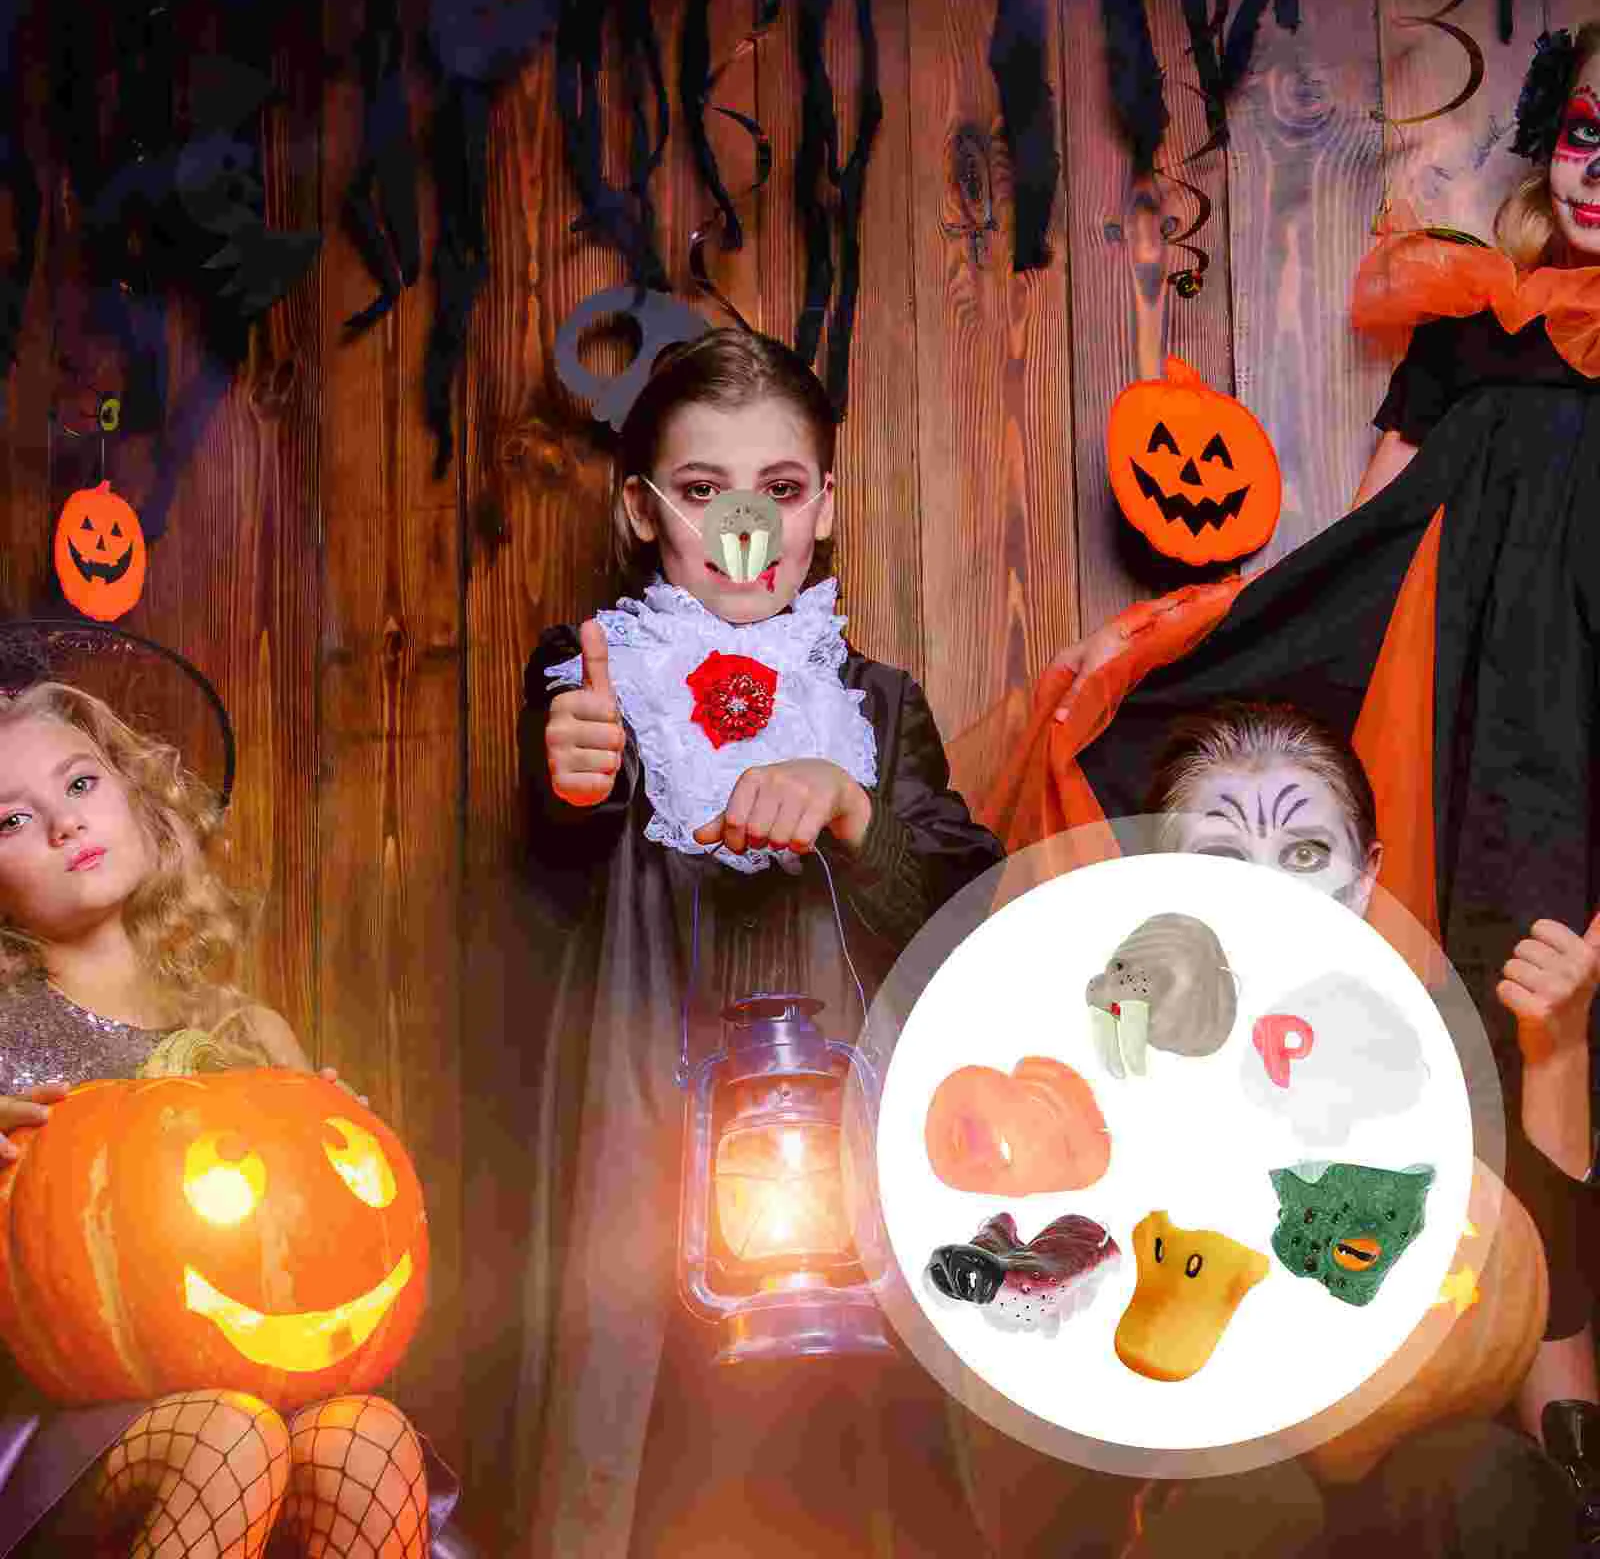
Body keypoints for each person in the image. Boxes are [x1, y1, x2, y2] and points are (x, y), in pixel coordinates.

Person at [970, 21, 1600, 1530]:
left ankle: (1563, 1406)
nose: (1599, 173)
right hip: (1445, 705)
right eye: (1585, 133)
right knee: (1463, 1005)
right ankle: (1440, 1397)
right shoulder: (1469, 317)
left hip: (1579, 715)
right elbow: (1360, 542)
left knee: (1561, 1020)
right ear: (1550, 139)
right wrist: (1205, 642)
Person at [512, 326, 1006, 1557]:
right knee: (645, 1415)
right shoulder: (598, 674)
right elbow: (558, 847)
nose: (745, 529)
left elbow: (957, 914)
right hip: (647, 1101)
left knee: (854, 1453)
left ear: (824, 505)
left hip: (841, 1113)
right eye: (701, 490)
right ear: (642, 511)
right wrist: (574, 772)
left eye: (779, 490)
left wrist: (851, 808)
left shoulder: (875, 703)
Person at [0, 679, 451, 1558]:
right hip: (47, 1430)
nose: (64, 824)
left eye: (81, 783)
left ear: (138, 798)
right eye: (10, 820)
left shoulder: (248, 1033)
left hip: (254, 1409)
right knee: (230, 1434)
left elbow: (323, 1243)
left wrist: (341, 1140)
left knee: (367, 1436)